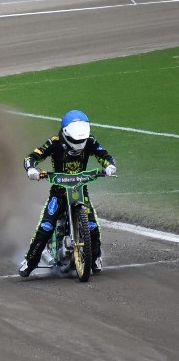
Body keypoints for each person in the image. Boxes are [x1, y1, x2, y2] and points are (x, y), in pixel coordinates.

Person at [19, 109, 117, 277]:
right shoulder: (54, 143)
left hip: (80, 190)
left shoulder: (91, 141)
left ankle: (95, 258)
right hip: (59, 192)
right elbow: (31, 157)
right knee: (46, 226)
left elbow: (105, 155)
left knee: (92, 226)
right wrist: (31, 170)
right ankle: (30, 261)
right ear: (65, 134)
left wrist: (109, 166)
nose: (79, 144)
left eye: (82, 140)